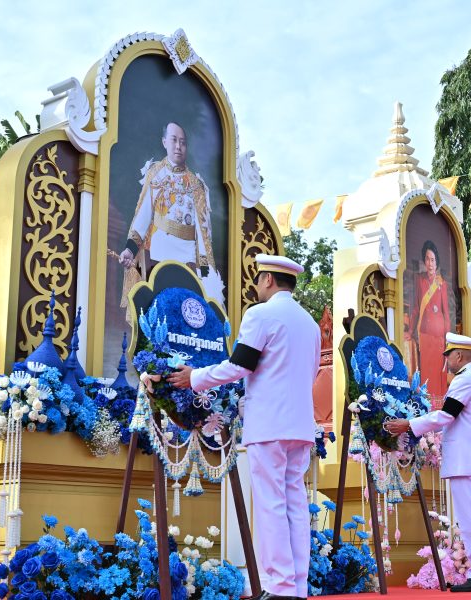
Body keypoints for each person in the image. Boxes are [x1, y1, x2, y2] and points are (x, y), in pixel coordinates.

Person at [168, 254, 320, 600]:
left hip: (269, 424)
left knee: (271, 505)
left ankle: (279, 587)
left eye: (257, 279)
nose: (256, 285)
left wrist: (196, 378)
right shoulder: (310, 324)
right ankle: (296, 587)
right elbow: (309, 374)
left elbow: (240, 365)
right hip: (299, 424)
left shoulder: (260, 314)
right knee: (295, 503)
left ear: (267, 279)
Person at [387, 333, 471, 593]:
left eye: (448, 355)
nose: (447, 361)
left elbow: (447, 415)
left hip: (465, 461)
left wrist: (410, 424)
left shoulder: (465, 380)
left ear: (459, 355)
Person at [119, 121, 215, 274]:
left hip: (187, 256)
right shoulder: (156, 174)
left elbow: (202, 232)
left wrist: (204, 269)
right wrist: (130, 250)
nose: (178, 146)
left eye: (182, 142)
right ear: (164, 142)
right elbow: (143, 217)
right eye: (174, 140)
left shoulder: (197, 185)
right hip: (159, 251)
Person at [409, 240, 451, 406]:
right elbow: (416, 308)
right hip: (425, 335)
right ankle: (428, 405)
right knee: (427, 372)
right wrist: (410, 330)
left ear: (436, 262)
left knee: (438, 373)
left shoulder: (442, 284)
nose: (430, 263)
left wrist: (448, 338)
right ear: (424, 261)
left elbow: (446, 312)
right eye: (427, 259)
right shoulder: (419, 280)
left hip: (440, 337)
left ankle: (440, 406)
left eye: (433, 260)